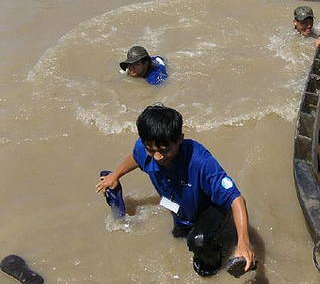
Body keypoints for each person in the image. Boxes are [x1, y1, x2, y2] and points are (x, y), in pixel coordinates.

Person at [96, 105, 255, 277]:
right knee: (179, 238)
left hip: (213, 208)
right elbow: (136, 156)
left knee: (199, 242)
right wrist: (116, 175)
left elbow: (236, 199)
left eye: (165, 150)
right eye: (152, 150)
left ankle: (214, 267)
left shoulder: (201, 162)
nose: (158, 157)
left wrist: (244, 243)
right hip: (182, 212)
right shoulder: (145, 149)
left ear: (180, 139)